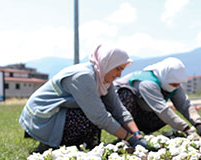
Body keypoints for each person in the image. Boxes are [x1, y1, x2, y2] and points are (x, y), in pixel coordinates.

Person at [19, 44, 151, 151]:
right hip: (42, 118)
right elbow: (99, 116)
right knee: (92, 116)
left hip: (60, 112)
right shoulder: (84, 77)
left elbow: (118, 109)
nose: (119, 74)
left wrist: (137, 134)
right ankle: (49, 143)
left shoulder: (103, 78)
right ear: (107, 63)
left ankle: (80, 143)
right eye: (118, 69)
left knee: (99, 110)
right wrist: (129, 139)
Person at [115, 57, 201, 138]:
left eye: (178, 84)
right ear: (165, 77)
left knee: (169, 116)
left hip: (143, 113)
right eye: (173, 84)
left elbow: (184, 104)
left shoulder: (173, 83)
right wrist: (186, 129)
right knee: (126, 94)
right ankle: (126, 135)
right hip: (119, 112)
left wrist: (198, 124)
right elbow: (161, 109)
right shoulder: (147, 83)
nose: (176, 86)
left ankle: (144, 133)